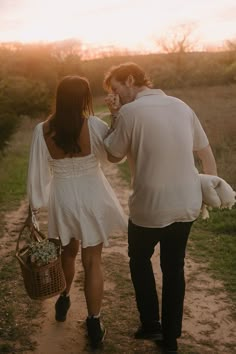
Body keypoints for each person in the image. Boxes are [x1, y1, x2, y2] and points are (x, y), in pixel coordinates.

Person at [103, 62, 217, 354]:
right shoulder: (181, 105)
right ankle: (170, 336)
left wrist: (115, 116)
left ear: (130, 80)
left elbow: (113, 154)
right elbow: (205, 153)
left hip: (149, 206)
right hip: (186, 201)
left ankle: (151, 323)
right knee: (174, 266)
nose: (116, 96)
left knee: (139, 260)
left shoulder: (129, 112)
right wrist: (211, 188)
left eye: (116, 89)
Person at [26, 75, 127, 349]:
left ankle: (64, 296)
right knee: (93, 260)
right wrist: (117, 117)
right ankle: (94, 322)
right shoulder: (93, 125)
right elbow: (116, 156)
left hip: (63, 197)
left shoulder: (42, 130)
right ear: (83, 98)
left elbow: (37, 171)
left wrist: (35, 204)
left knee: (67, 253)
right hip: (92, 194)